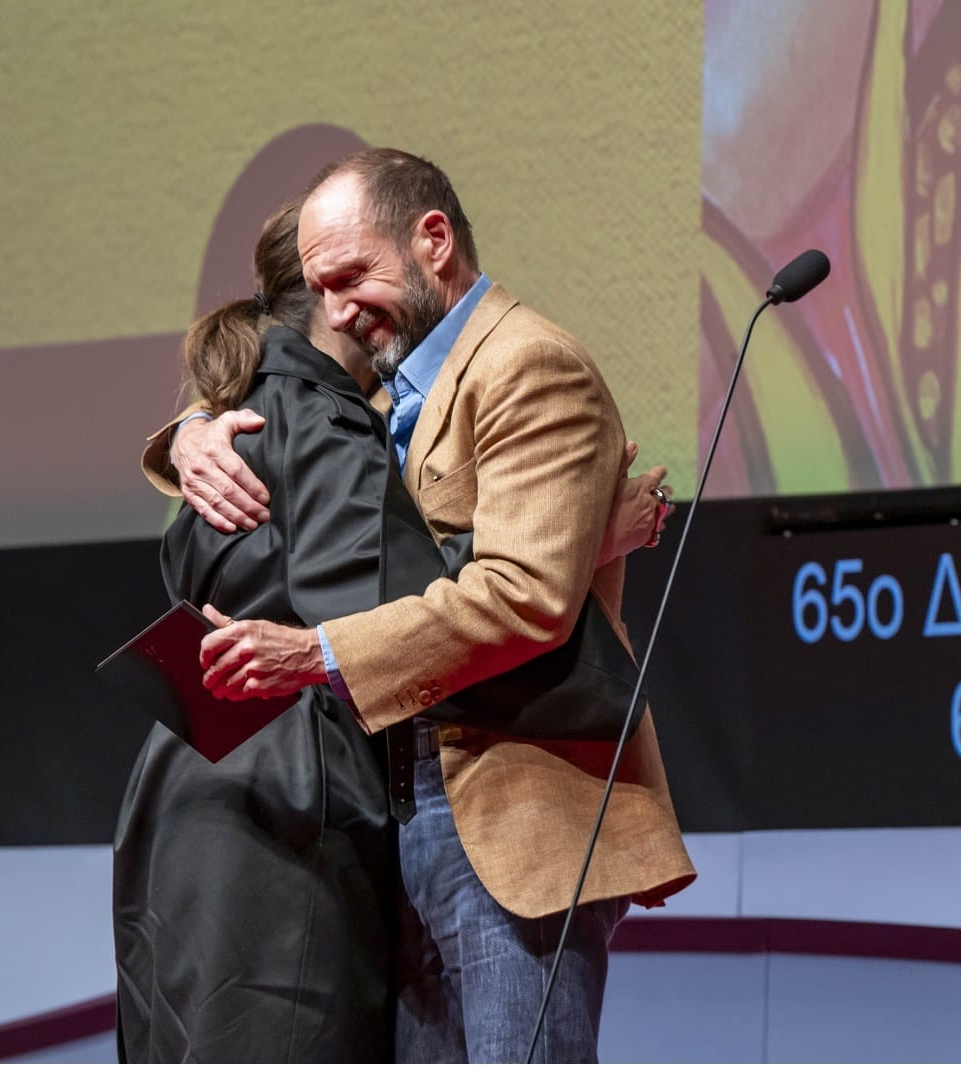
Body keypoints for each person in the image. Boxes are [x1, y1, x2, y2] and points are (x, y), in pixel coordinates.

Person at [182, 148, 696, 1062]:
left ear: (433, 240)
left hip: (513, 819)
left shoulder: (529, 365)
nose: (337, 310)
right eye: (319, 289)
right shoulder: (395, 393)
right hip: (412, 812)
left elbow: (522, 596)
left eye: (351, 278)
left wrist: (316, 654)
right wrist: (189, 434)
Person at [113, 201, 402, 1062]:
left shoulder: (232, 420)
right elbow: (410, 613)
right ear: (335, 291)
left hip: (180, 787)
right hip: (294, 799)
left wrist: (190, 427)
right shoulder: (330, 424)